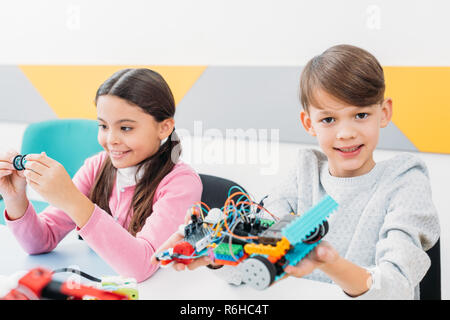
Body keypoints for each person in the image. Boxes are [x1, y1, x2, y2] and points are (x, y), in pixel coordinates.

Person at [151, 45, 440, 299]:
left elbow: (396, 289)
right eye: (328, 119)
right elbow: (251, 258)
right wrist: (215, 252)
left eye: (361, 115)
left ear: (384, 112)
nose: (346, 133)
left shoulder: (405, 180)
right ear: (308, 123)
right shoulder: (305, 173)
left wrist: (329, 262)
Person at [0, 68, 202, 282]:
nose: (111, 139)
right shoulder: (97, 166)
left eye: (125, 128)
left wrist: (72, 199)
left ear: (164, 128)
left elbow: (143, 265)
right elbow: (41, 242)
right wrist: (15, 197)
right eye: (103, 126)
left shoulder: (182, 183)